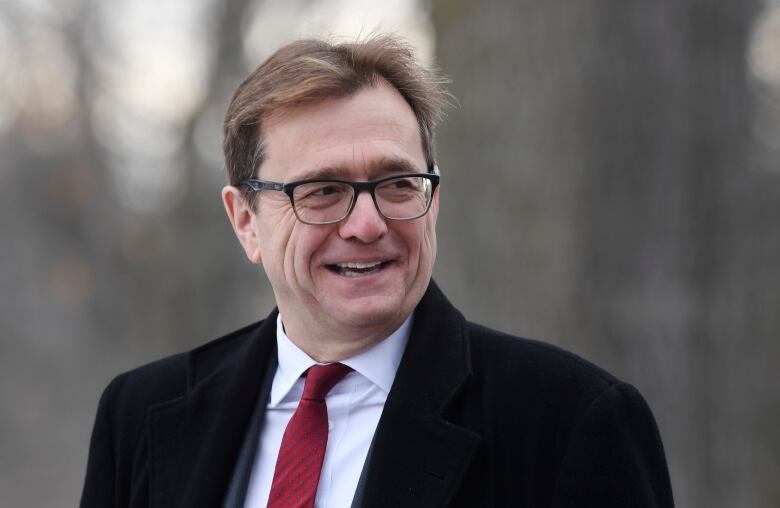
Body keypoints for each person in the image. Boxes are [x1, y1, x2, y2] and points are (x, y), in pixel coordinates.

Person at [80, 35, 674, 508]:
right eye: (323, 190)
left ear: (432, 200)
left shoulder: (570, 422)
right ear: (246, 222)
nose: (367, 222)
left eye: (396, 184)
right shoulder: (142, 417)